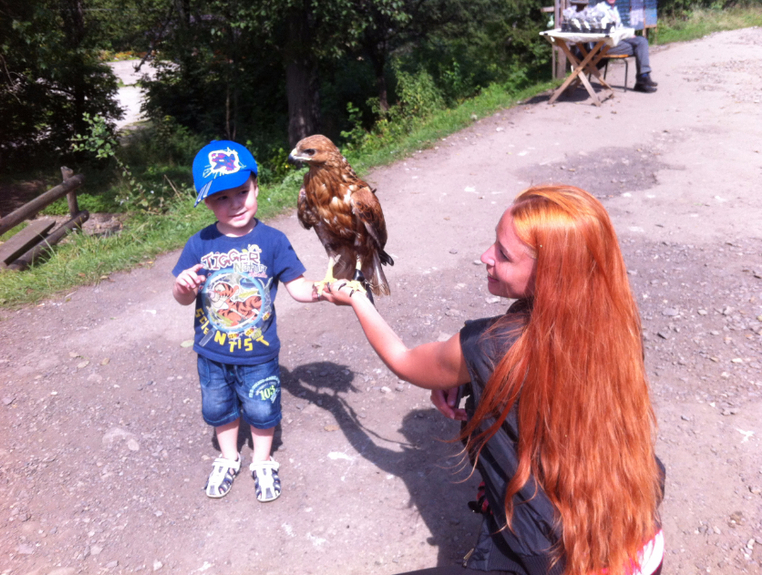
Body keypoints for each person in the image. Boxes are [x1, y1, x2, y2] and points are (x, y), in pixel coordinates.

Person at [322, 185, 665, 575]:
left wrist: (357, 298)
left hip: (547, 558)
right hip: (638, 542)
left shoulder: (491, 347)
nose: (485, 256)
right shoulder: (616, 323)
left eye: (503, 254)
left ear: (551, 273)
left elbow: (404, 361)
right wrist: (471, 380)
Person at [173, 140, 325, 501]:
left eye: (242, 191)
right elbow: (183, 298)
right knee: (218, 408)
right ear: (206, 202)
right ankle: (228, 457)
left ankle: (262, 460)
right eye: (221, 198)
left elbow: (298, 287)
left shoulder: (273, 241)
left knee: (262, 408)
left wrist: (327, 290)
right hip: (211, 352)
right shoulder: (200, 243)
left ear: (256, 187)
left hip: (258, 352)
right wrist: (182, 287)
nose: (235, 204)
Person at [597, 0, 658, 93]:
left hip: (618, 39)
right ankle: (642, 79)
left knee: (642, 41)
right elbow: (608, 30)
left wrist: (629, 34)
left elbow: (619, 27)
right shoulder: (600, 9)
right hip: (607, 44)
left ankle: (644, 77)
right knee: (640, 49)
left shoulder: (614, 9)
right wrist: (627, 34)